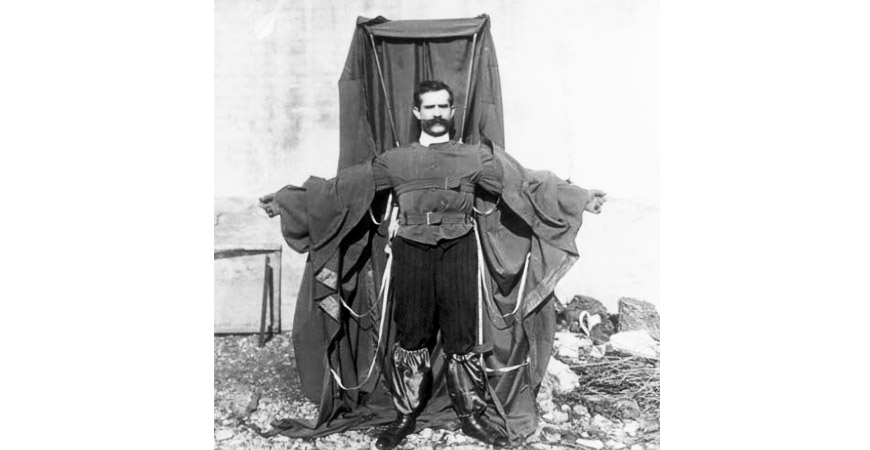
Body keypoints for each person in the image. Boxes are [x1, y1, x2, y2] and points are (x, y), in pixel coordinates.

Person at [260, 80, 607, 449]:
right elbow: (343, 190)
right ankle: (405, 415)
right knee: (412, 334)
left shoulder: (474, 157)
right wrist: (289, 202)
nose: (437, 113)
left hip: (459, 249)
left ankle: (470, 416)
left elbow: (525, 183)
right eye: (430, 107)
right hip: (412, 251)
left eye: (443, 106)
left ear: (452, 111)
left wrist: (579, 198)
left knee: (461, 335)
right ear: (417, 112)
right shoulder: (396, 160)